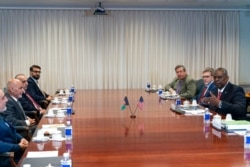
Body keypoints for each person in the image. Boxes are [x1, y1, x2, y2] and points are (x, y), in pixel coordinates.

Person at [0, 88, 29, 166]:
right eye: (3, 98)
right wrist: (18, 146)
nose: (6, 100)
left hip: (16, 152)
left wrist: (21, 138)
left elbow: (11, 130)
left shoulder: (1, 115)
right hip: (7, 159)